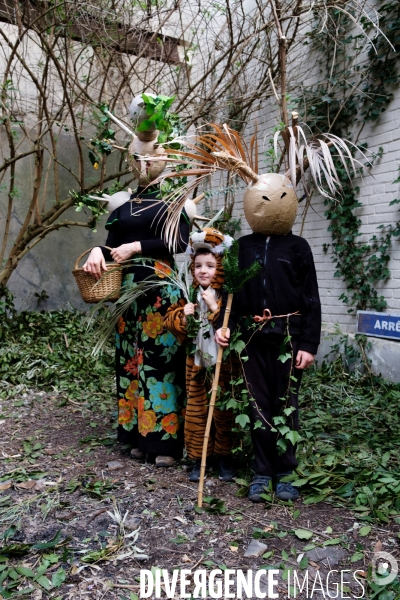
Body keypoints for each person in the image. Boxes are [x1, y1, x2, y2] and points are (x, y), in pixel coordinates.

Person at [83, 184, 189, 467]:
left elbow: (180, 242)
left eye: (152, 154)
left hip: (161, 290)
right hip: (128, 293)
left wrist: (137, 247)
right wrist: (96, 250)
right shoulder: (123, 207)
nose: (146, 161)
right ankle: (139, 438)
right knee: (131, 362)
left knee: (160, 362)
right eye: (139, 156)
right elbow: (110, 247)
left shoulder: (171, 202)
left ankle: (165, 442)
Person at [215, 231, 321, 501]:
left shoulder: (298, 246)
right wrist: (222, 327)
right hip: (251, 339)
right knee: (257, 404)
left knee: (286, 403)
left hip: (289, 338)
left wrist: (309, 344)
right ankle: (262, 472)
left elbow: (311, 296)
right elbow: (230, 294)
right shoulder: (242, 246)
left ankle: (286, 471)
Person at [164, 228, 237, 482]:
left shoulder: (227, 296)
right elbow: (172, 324)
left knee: (223, 412)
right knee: (197, 410)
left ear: (220, 267)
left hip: (222, 364)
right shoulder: (188, 294)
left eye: (210, 265)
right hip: (196, 364)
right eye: (198, 266)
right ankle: (198, 457)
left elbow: (236, 326)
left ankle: (225, 456)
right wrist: (183, 316)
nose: (203, 271)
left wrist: (216, 308)